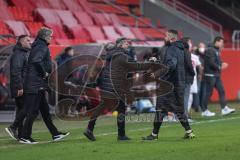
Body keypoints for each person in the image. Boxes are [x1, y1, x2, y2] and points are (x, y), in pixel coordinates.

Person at [84, 38, 164, 141]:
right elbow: (138, 66)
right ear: (120, 45)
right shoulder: (122, 56)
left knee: (111, 107)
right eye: (126, 43)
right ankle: (117, 134)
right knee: (119, 109)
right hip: (116, 86)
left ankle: (94, 130)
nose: (128, 45)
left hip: (108, 85)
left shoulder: (111, 56)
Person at [19, 27, 69, 144]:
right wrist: (45, 73)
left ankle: (55, 134)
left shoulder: (39, 46)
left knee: (45, 111)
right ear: (45, 36)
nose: (51, 38)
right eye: (50, 36)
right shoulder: (41, 46)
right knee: (33, 111)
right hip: (35, 84)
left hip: (37, 83)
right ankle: (25, 136)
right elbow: (36, 61)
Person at [143, 29, 195, 140]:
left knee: (160, 109)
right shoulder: (182, 49)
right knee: (179, 109)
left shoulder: (171, 48)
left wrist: (156, 73)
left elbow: (171, 65)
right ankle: (189, 132)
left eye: (166, 36)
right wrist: (158, 62)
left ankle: (154, 135)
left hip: (169, 84)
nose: (164, 38)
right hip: (179, 83)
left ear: (172, 38)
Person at [5, 35, 31, 140]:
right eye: (27, 40)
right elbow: (16, 71)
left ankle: (20, 135)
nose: (30, 42)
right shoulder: (19, 54)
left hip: (21, 86)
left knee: (21, 110)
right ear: (21, 42)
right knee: (27, 108)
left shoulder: (22, 53)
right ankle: (13, 127)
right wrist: (20, 87)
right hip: (20, 87)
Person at [201, 36, 235, 117]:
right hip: (210, 75)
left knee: (222, 91)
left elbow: (218, 60)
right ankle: (204, 110)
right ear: (217, 41)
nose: (222, 44)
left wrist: (222, 63)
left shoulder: (217, 50)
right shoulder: (210, 50)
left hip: (216, 75)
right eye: (222, 42)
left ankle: (224, 109)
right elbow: (211, 63)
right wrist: (220, 67)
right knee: (209, 93)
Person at [181, 37, 195, 119]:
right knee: (185, 97)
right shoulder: (186, 52)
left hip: (179, 77)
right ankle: (184, 115)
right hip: (186, 77)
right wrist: (193, 73)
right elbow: (189, 66)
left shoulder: (178, 52)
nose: (191, 43)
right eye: (189, 42)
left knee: (180, 97)